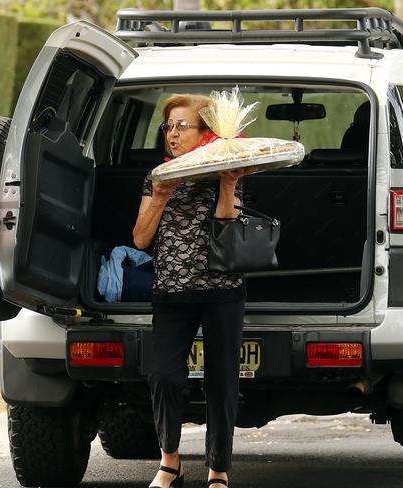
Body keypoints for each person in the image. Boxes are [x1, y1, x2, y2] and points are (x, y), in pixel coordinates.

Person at [133, 94, 250, 488]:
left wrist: (228, 185)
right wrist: (161, 197)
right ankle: (170, 462)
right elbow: (140, 239)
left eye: (183, 125)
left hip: (221, 290)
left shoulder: (228, 168)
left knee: (221, 380)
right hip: (171, 289)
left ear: (205, 132)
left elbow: (227, 233)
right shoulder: (157, 176)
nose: (173, 134)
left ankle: (218, 469)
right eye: (169, 126)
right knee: (163, 374)